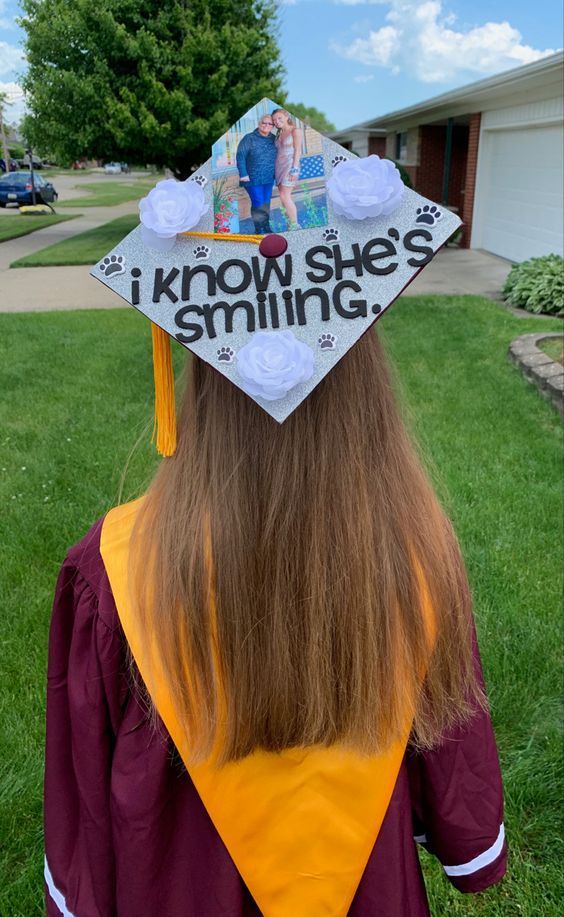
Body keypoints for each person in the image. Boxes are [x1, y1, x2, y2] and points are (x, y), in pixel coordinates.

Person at [44, 333, 506, 916]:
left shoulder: (114, 565)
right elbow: (451, 741)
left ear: (205, 371)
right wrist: (466, 834)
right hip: (368, 889)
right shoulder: (410, 547)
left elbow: (84, 774)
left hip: (178, 885)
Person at [236, 114, 277, 234]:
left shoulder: (274, 139)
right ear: (259, 124)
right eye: (264, 123)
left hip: (268, 177)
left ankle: (266, 225)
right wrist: (243, 174)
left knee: (266, 202)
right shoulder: (249, 138)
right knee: (258, 202)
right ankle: (259, 228)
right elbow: (240, 156)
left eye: (270, 124)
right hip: (252, 178)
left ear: (273, 126)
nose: (266, 126)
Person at [272, 108, 303, 230]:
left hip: (290, 166)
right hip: (279, 167)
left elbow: (298, 150)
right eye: (274, 120)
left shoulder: (295, 131)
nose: (277, 121)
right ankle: (290, 223)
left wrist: (294, 169)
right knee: (282, 196)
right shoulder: (278, 133)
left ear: (286, 116)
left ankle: (295, 225)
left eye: (279, 118)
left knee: (285, 195)